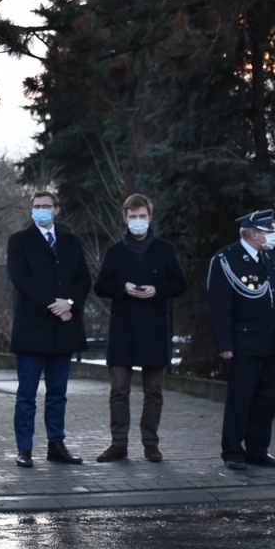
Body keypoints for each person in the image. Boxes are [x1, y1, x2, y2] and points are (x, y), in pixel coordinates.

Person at [93, 194, 188, 462]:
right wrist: (122, 288)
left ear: (150, 218)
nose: (137, 221)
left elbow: (180, 284)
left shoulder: (165, 250)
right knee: (119, 390)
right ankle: (118, 444)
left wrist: (157, 290)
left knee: (153, 392)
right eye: (132, 217)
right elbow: (100, 286)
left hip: (154, 328)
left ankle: (150, 444)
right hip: (123, 329)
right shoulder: (114, 252)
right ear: (125, 218)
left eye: (142, 216)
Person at [7, 190, 93, 467]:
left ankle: (56, 444)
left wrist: (68, 303)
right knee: (27, 395)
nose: (41, 210)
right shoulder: (19, 241)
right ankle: (25, 449)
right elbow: (21, 279)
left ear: (57, 209)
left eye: (46, 206)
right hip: (32, 329)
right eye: (36, 206)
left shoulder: (71, 242)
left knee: (57, 394)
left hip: (64, 329)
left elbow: (83, 279)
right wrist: (51, 305)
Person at [208, 209, 275, 471]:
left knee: (267, 398)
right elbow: (219, 305)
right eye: (270, 231)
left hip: (273, 342)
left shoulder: (272, 259)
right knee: (240, 398)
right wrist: (224, 345)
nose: (274, 236)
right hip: (244, 342)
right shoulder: (226, 259)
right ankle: (233, 450)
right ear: (254, 233)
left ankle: (258, 449)